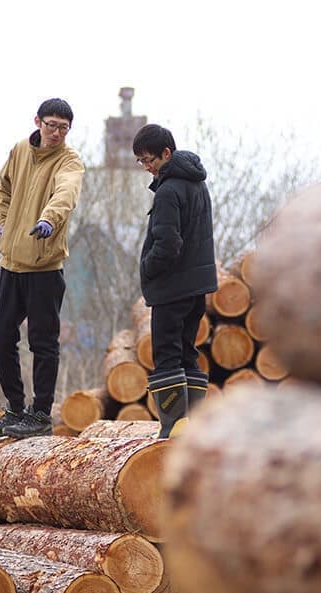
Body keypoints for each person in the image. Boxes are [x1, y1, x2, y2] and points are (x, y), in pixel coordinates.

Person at [0, 98, 85, 439]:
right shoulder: (19, 151)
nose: (56, 133)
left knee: (43, 343)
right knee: (2, 338)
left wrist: (49, 220)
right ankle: (15, 408)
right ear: (38, 121)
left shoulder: (69, 161)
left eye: (64, 128)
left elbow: (65, 194)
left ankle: (40, 413)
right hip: (11, 263)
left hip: (44, 267)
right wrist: (0, 222)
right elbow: (3, 189)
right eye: (51, 125)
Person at [133, 123, 218, 438]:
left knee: (167, 357)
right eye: (141, 161)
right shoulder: (197, 183)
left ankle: (171, 429)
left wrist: (147, 268)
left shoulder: (169, 190)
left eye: (148, 160)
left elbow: (167, 244)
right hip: (196, 287)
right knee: (187, 353)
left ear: (166, 153)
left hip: (172, 288)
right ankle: (192, 427)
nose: (146, 167)